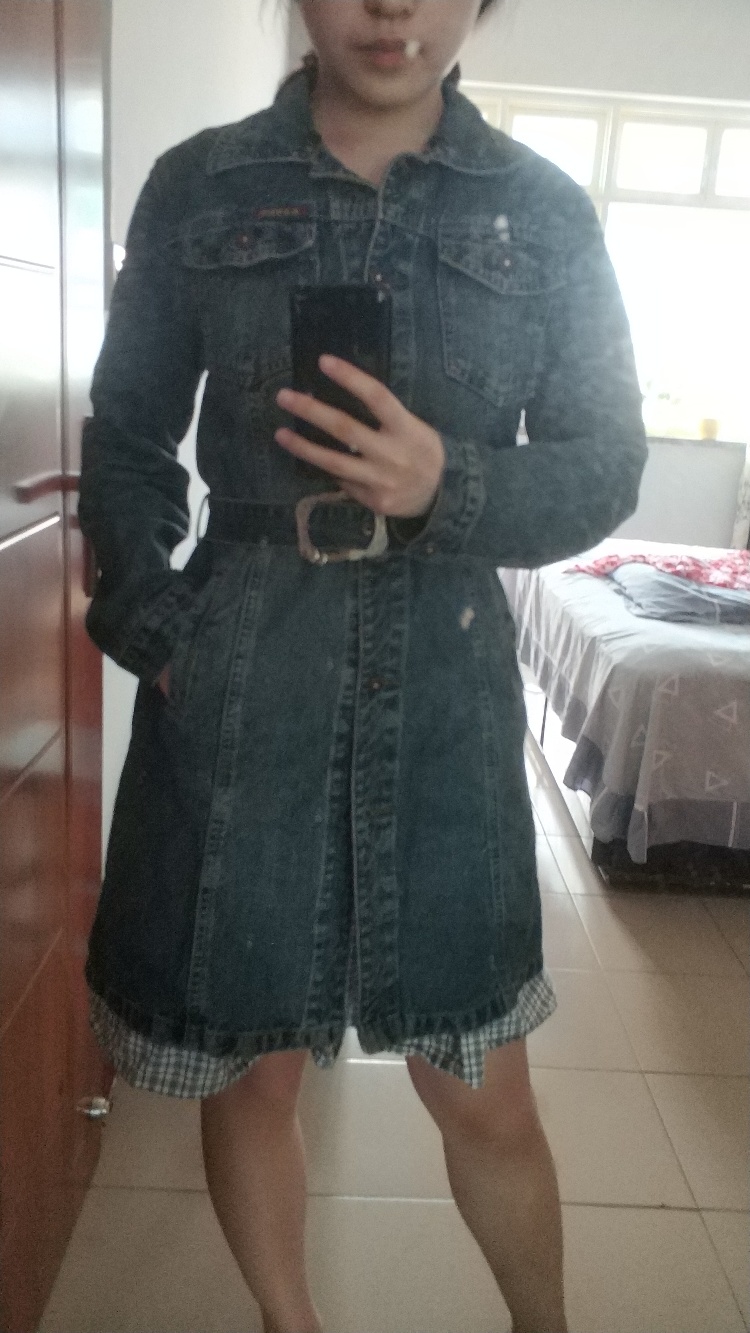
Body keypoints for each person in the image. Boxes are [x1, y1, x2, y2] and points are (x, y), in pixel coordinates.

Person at [78, 2, 647, 1331]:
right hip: (243, 683)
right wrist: (157, 628)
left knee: (483, 1092)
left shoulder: (544, 212)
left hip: (443, 687)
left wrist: (449, 483)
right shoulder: (200, 184)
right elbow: (127, 436)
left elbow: (606, 462)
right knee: (254, 1071)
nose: (392, 6)